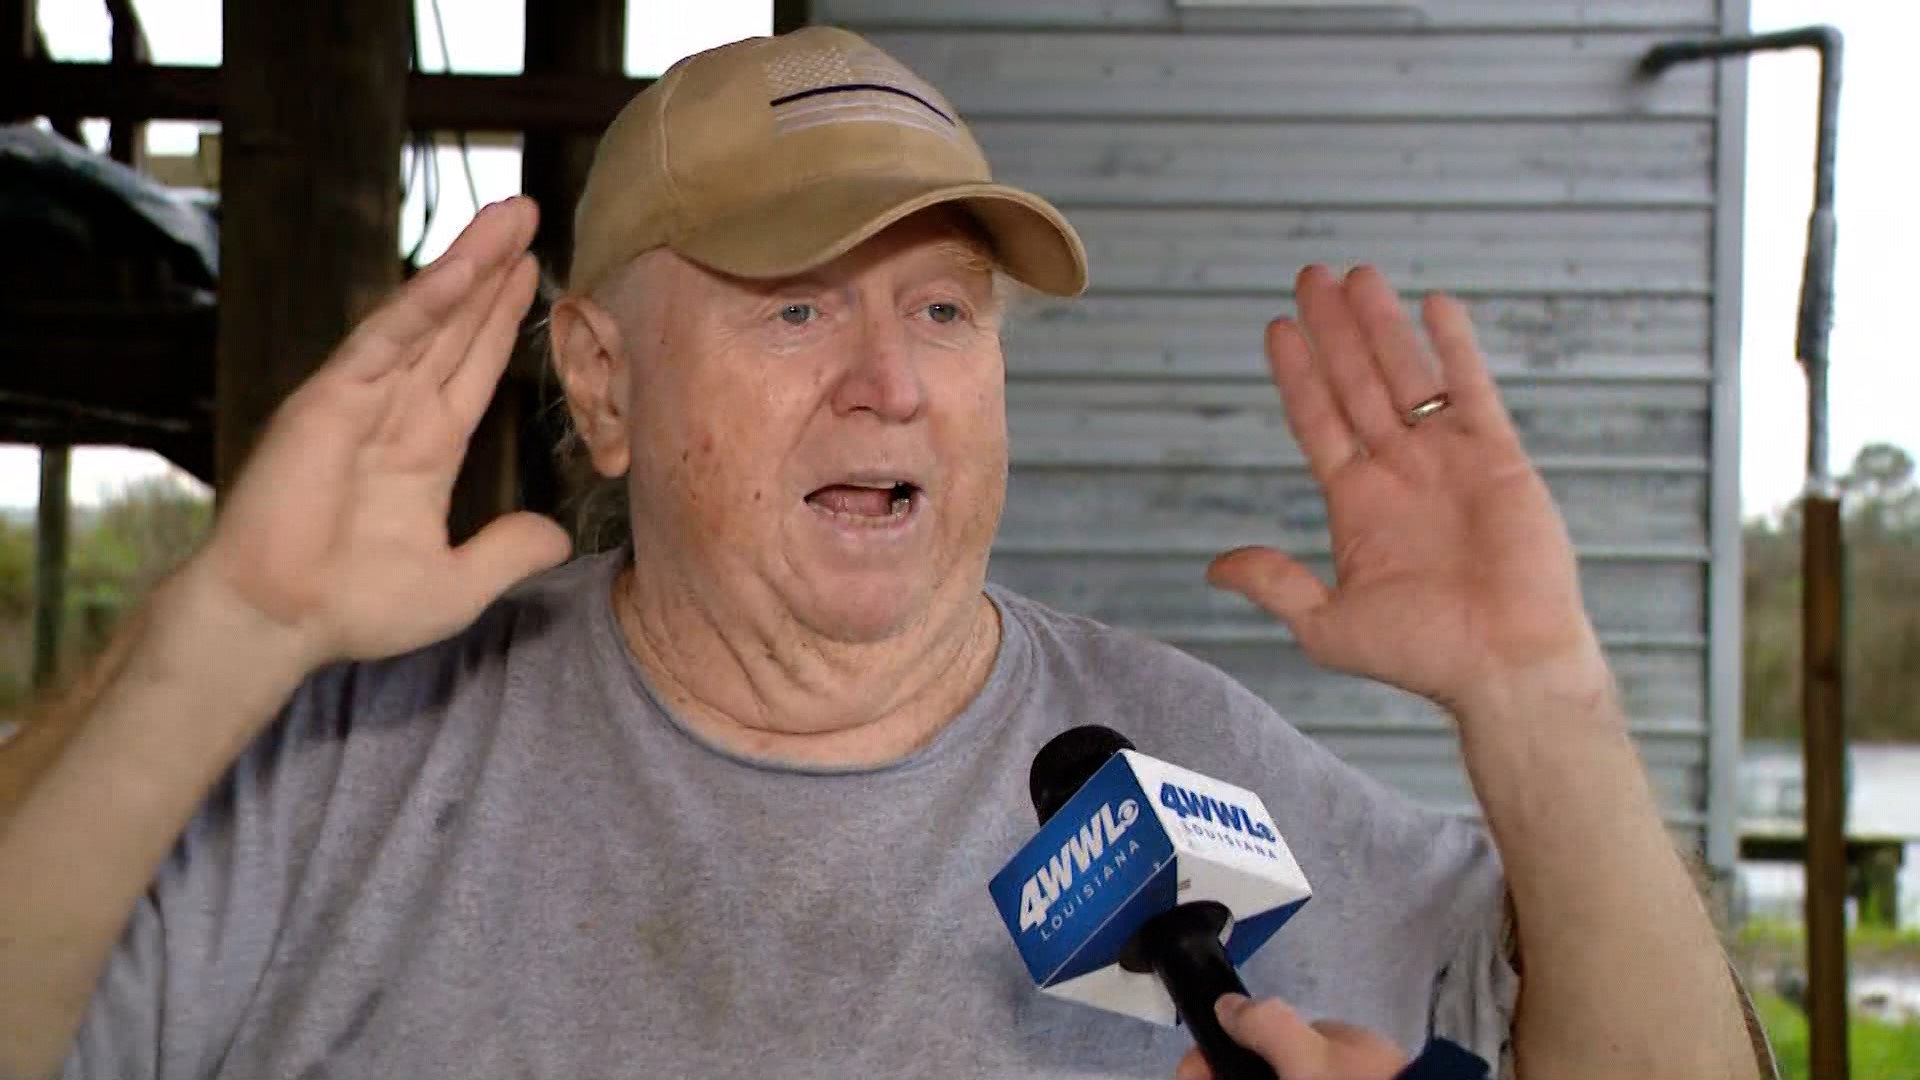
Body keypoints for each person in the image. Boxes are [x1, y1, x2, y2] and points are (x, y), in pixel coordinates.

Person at [0, 25, 1773, 1080]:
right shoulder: (342, 772)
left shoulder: (1174, 766)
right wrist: (215, 631)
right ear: (601, 385)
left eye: (945, 307)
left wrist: (1545, 702)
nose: (892, 383)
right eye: (793, 310)